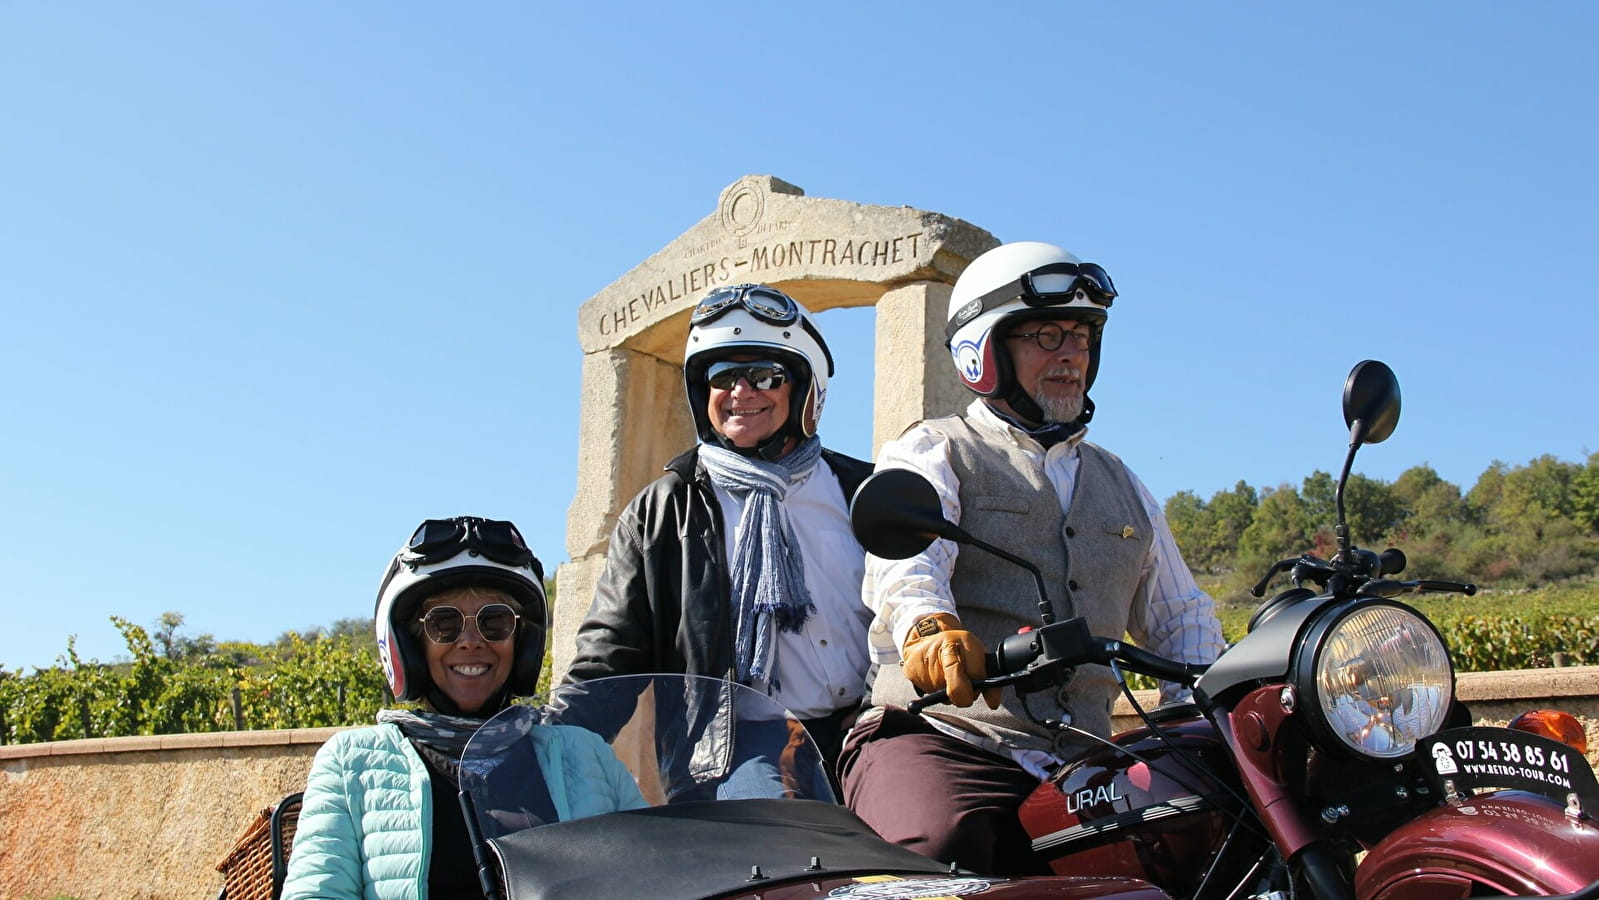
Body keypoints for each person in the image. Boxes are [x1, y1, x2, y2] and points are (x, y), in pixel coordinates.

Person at [838, 242, 1227, 875]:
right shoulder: (935, 449)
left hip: (1087, 758)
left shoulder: (1124, 483)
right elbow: (907, 568)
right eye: (1047, 335)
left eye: (1081, 336)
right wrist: (927, 626)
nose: (1071, 354)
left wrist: (1210, 705)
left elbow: (1181, 618)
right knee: (935, 849)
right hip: (949, 742)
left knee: (1201, 847)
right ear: (983, 353)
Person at [565, 283, 874, 787]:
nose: (740, 392)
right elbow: (609, 651)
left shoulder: (863, 488)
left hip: (873, 724)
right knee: (777, 847)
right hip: (741, 744)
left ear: (804, 386)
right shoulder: (663, 510)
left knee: (936, 838)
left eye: (764, 376)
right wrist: (558, 739)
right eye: (722, 376)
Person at [282, 516, 645, 900]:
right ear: (409, 645)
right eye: (443, 624)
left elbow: (656, 875)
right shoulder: (353, 762)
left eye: (495, 621)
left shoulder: (585, 754)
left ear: (522, 642)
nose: (471, 641)